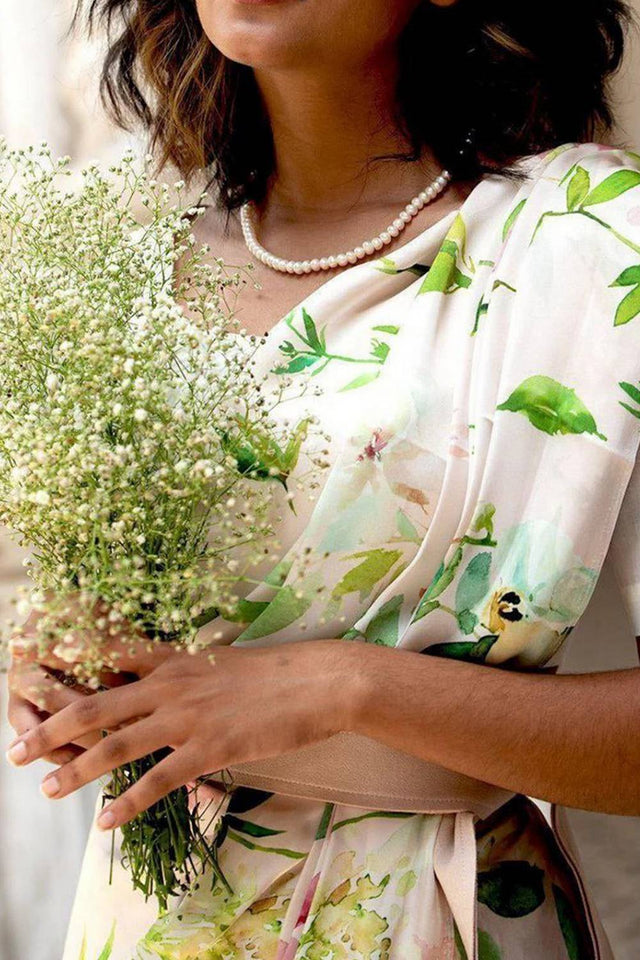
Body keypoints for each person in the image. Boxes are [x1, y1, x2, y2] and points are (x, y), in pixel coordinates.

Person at [6, 1, 640, 957]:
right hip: (147, 922)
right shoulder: (123, 258)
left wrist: (347, 687)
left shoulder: (591, 243)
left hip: (430, 919)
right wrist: (72, 659)